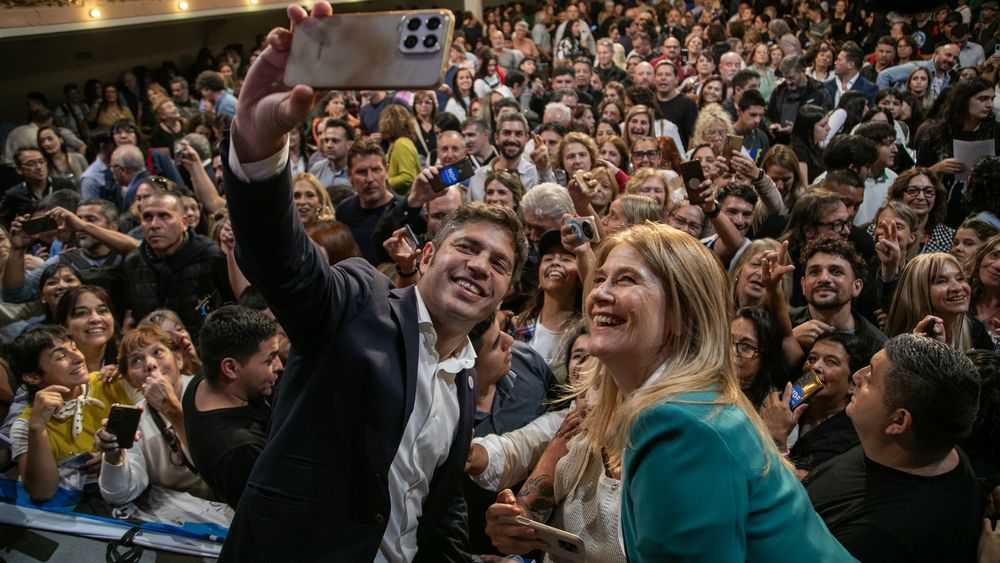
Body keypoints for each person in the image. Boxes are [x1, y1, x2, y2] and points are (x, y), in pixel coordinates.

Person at [218, 5, 529, 559]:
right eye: (467, 247)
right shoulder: (359, 301)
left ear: (505, 291)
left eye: (499, 264)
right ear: (427, 254)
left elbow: (435, 500)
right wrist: (259, 151)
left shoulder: (462, 377)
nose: (481, 266)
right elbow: (281, 261)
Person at [559, 222, 852, 559]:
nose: (598, 294)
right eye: (600, 279)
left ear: (681, 312)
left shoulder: (678, 422)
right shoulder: (691, 403)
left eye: (626, 279)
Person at [804, 334, 981, 562]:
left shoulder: (876, 540)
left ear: (898, 422)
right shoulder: (928, 446)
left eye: (871, 378)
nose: (857, 376)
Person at [8, 325, 129, 502]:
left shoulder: (110, 381)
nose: (78, 357)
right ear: (33, 377)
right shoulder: (26, 425)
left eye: (74, 348)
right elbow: (42, 492)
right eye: (61, 356)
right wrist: (37, 427)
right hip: (80, 511)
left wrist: (115, 458)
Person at [95, 324, 212, 505]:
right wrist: (114, 456)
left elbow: (218, 467)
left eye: (158, 352)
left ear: (179, 359)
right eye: (136, 361)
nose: (150, 364)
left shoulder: (211, 392)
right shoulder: (136, 420)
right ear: (129, 381)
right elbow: (120, 494)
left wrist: (171, 409)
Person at [183, 305, 282, 508]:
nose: (279, 366)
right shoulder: (239, 450)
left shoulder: (202, 383)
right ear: (230, 368)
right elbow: (273, 512)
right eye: (270, 359)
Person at [762, 332, 866, 474]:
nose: (815, 366)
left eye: (831, 362)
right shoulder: (784, 404)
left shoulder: (847, 436)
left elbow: (801, 486)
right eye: (812, 358)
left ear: (853, 385)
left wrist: (777, 439)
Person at [790, 238, 887, 361]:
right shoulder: (783, 328)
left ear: (856, 287)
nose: (824, 278)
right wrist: (788, 343)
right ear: (803, 285)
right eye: (814, 272)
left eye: (836, 272)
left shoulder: (878, 348)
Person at [885, 252, 991, 351]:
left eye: (960, 279)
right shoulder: (899, 346)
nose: (958, 287)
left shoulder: (975, 330)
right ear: (918, 291)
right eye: (941, 281)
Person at [885, 168, 954, 254]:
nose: (921, 197)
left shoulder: (950, 237)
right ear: (900, 194)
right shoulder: (882, 229)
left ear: (936, 197)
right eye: (913, 191)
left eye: (928, 192)